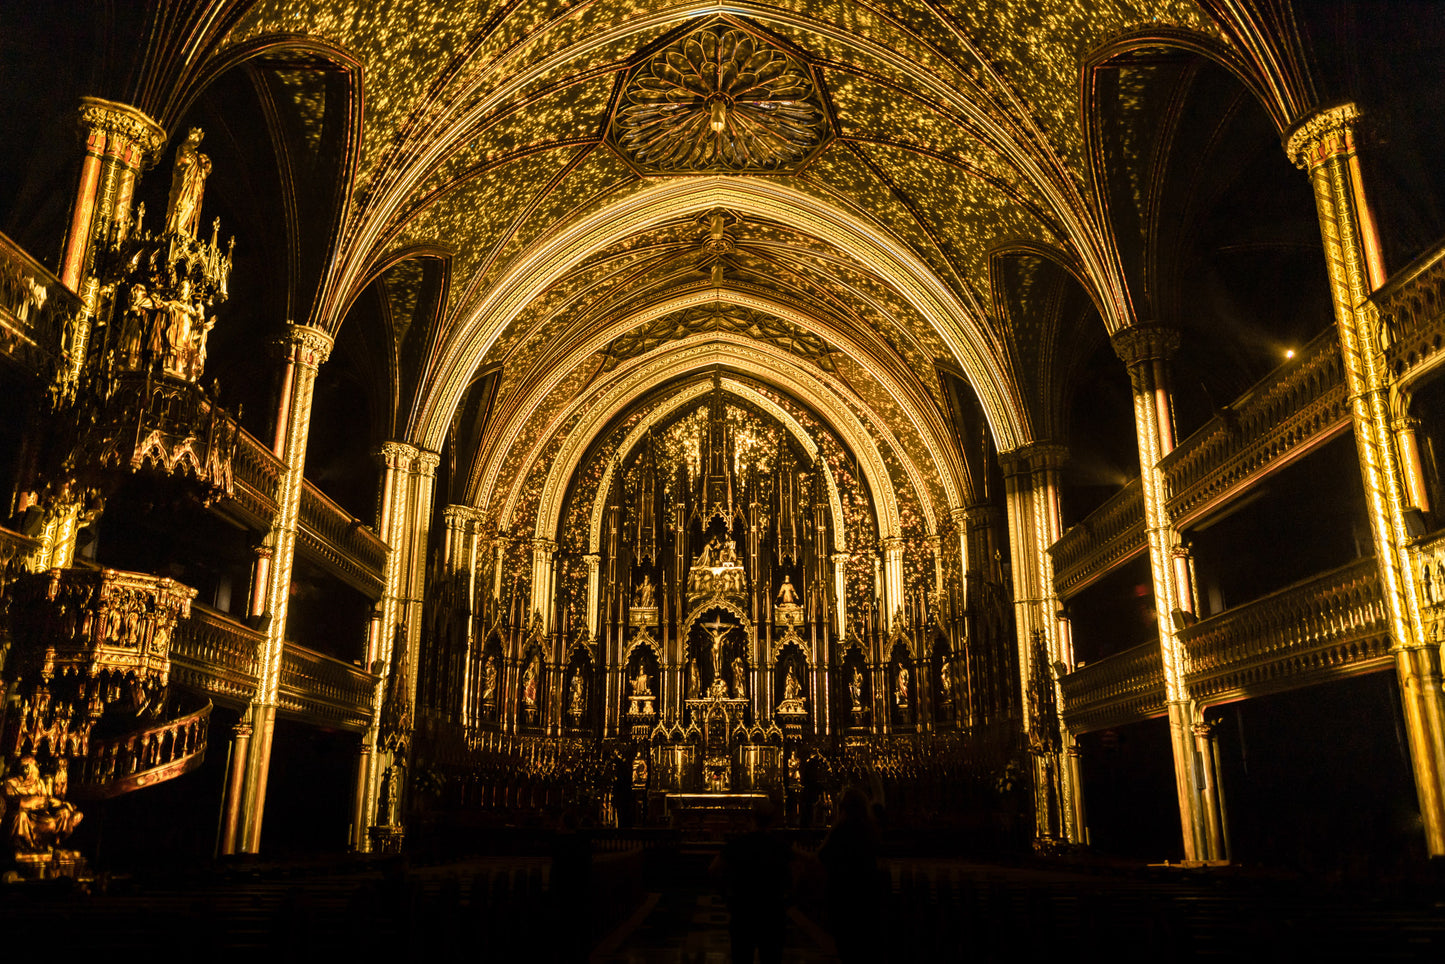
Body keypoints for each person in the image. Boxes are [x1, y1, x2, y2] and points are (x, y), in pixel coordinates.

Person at [709, 800, 792, 964]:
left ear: (751, 819)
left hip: (743, 910)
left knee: (742, 955)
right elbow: (800, 867)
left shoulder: (738, 843)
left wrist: (725, 895)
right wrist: (790, 898)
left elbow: (713, 870)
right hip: (772, 911)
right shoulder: (779, 845)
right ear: (773, 821)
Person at [818, 786, 881, 963]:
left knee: (846, 945)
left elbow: (822, 856)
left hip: (843, 895)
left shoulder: (841, 830)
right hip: (867, 893)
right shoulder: (870, 829)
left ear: (843, 808)